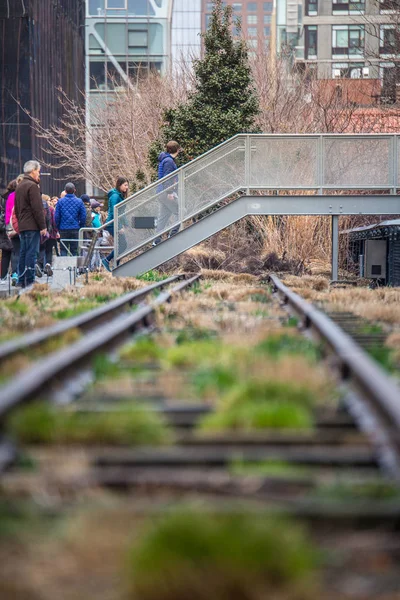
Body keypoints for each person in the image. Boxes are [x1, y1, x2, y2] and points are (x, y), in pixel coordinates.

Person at [14, 160, 47, 289]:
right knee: (31, 253)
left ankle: (20, 280)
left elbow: (16, 209)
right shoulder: (32, 186)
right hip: (32, 225)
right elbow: (37, 208)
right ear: (33, 171)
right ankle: (30, 280)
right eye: (38, 171)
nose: (39, 174)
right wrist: (42, 226)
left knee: (23, 252)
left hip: (23, 225)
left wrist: (20, 223)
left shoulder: (20, 185)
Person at [153, 140, 181, 246]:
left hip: (161, 192)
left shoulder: (165, 159)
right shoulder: (169, 161)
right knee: (182, 211)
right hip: (166, 193)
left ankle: (156, 240)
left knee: (163, 216)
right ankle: (172, 235)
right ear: (177, 150)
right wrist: (170, 192)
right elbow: (167, 178)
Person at [101, 177, 129, 272]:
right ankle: (107, 260)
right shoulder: (115, 196)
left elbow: (121, 212)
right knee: (123, 245)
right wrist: (119, 227)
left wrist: (126, 224)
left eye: (127, 185)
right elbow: (114, 212)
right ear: (119, 185)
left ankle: (115, 265)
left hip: (116, 223)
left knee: (121, 245)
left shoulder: (119, 195)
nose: (127, 187)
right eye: (125, 185)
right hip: (112, 224)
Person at [55, 182, 86, 256]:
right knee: (74, 250)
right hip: (75, 228)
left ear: (65, 191)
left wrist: (58, 227)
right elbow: (83, 216)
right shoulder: (79, 201)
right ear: (74, 190)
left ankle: (63, 267)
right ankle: (74, 267)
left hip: (63, 228)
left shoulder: (60, 201)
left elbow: (56, 216)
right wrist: (81, 226)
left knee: (63, 249)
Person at [0, 200, 14, 280]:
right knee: (14, 253)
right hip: (7, 234)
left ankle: (3, 276)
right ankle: (14, 274)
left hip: (5, 235)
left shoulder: (3, 209)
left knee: (6, 255)